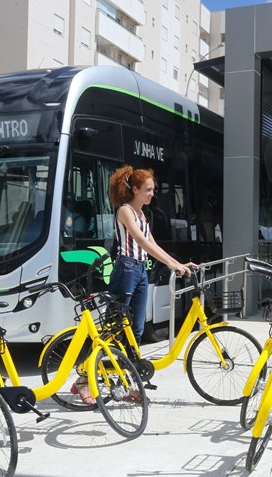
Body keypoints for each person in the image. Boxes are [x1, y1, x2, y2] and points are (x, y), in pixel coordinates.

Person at [72, 165, 197, 404]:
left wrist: (178, 263)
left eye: (153, 189)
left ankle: (127, 384)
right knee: (112, 329)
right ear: (136, 189)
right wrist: (173, 265)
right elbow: (140, 240)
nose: (152, 194)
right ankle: (83, 380)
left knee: (135, 331)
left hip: (139, 271)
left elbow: (153, 244)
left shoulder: (143, 215)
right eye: (148, 190)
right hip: (126, 270)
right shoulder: (125, 211)